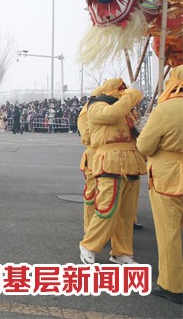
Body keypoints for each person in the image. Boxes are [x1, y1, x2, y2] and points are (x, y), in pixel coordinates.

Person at [79, 78, 146, 265]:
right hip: (109, 162)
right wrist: (133, 94)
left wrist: (141, 127)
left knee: (126, 213)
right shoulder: (97, 105)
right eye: (122, 91)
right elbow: (112, 114)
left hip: (131, 162)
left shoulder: (126, 109)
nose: (125, 94)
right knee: (107, 208)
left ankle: (122, 252)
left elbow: (134, 132)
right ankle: (89, 245)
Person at [137, 66, 183, 305]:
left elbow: (144, 145)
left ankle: (173, 285)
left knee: (170, 233)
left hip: (168, 176)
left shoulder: (164, 110)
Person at [77, 87, 101, 233]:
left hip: (109, 159)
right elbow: (87, 136)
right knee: (92, 194)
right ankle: (90, 228)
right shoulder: (86, 113)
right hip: (94, 157)